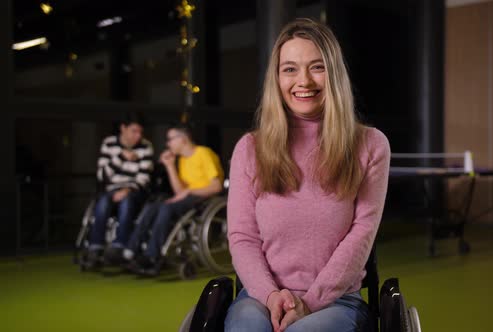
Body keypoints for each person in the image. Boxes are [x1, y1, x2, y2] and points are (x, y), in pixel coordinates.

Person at [225, 18, 391, 332]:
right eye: (290, 69)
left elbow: (361, 236)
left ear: (334, 74)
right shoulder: (250, 148)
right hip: (260, 297)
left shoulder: (370, 145)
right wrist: (271, 295)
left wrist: (310, 302)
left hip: (337, 300)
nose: (304, 81)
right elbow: (243, 238)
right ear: (276, 77)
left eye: (317, 67)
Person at [124, 123, 224, 275]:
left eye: (170, 139)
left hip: (205, 199)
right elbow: (179, 192)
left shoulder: (203, 153)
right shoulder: (182, 160)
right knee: (154, 205)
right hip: (188, 198)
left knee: (166, 208)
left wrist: (189, 191)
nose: (168, 144)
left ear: (183, 139)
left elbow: (216, 186)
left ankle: (153, 256)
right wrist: (170, 166)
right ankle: (133, 249)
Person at [87, 112, 154, 267]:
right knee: (102, 202)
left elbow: (143, 178)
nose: (138, 136)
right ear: (123, 128)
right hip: (111, 188)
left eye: (140, 132)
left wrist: (127, 190)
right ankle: (95, 247)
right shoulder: (109, 144)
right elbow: (102, 175)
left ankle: (119, 245)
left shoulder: (146, 147)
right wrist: (121, 157)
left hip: (134, 190)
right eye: (134, 131)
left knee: (126, 201)